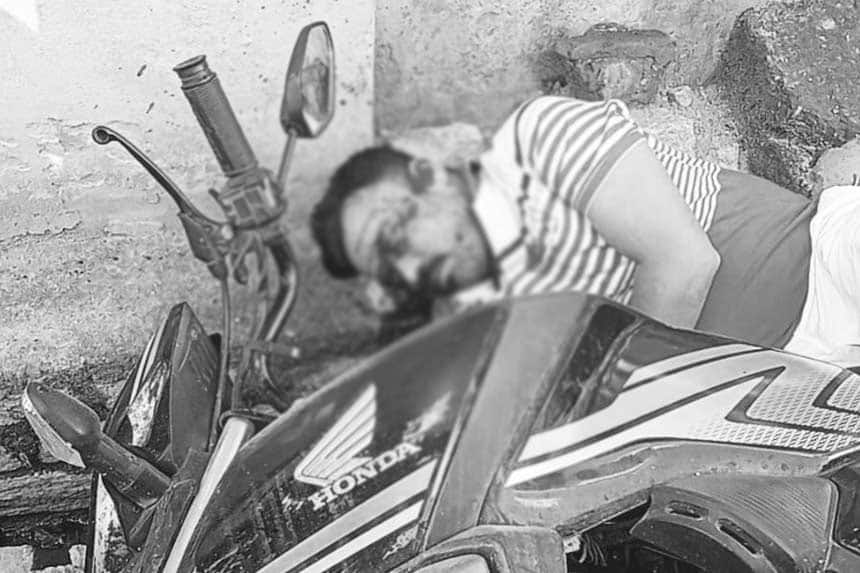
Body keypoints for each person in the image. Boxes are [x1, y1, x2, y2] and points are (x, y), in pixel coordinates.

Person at [310, 94, 860, 365]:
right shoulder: (491, 313)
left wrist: (614, 403)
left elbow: (686, 265)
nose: (407, 262)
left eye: (391, 228)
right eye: (388, 266)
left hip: (826, 269)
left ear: (426, 175)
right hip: (788, 389)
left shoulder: (537, 138)